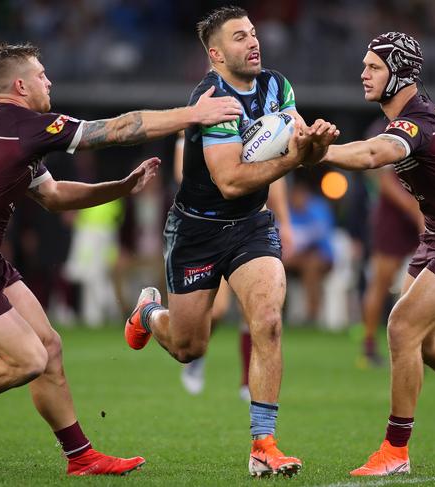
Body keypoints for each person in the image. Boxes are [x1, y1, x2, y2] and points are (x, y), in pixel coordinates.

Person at [0, 42, 242, 477]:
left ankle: (80, 456)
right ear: (21, 86)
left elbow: (54, 195)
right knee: (28, 359)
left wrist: (119, 187)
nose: (50, 82)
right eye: (42, 75)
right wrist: (192, 114)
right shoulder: (27, 127)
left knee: (49, 347)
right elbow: (119, 129)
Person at [123, 6, 337, 477]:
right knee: (188, 347)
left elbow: (301, 151)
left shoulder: (277, 86)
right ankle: (147, 314)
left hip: (250, 225)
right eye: (240, 38)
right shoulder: (211, 98)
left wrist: (317, 142)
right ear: (216, 54)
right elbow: (232, 181)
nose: (253, 42)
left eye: (254, 33)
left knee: (268, 320)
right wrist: (296, 158)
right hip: (196, 230)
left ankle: (263, 444)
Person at [311, 32, 435, 476]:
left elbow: (370, 155)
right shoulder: (408, 115)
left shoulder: (414, 121)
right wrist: (315, 150)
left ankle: (396, 452)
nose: (362, 73)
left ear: (398, 72)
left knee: (401, 327)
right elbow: (368, 150)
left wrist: (314, 152)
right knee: (420, 340)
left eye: (373, 67)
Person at [174, 131, 295, 401]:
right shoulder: (199, 122)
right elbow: (183, 175)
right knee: (214, 312)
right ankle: (196, 354)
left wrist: (285, 221)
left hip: (251, 225)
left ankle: (246, 382)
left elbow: (274, 177)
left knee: (259, 309)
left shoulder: (262, 121)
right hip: (209, 229)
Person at [359, 118, 423, 366]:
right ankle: (368, 344)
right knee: (381, 279)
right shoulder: (380, 129)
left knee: (431, 278)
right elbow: (383, 180)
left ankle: (428, 343)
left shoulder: (424, 123)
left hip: (424, 208)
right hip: (392, 215)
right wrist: (412, 207)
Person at [282, 177, 335, 325]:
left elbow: (319, 237)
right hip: (293, 257)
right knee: (276, 265)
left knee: (311, 265)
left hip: (320, 257)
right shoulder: (285, 209)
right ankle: (280, 312)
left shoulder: (318, 208)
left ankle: (312, 315)